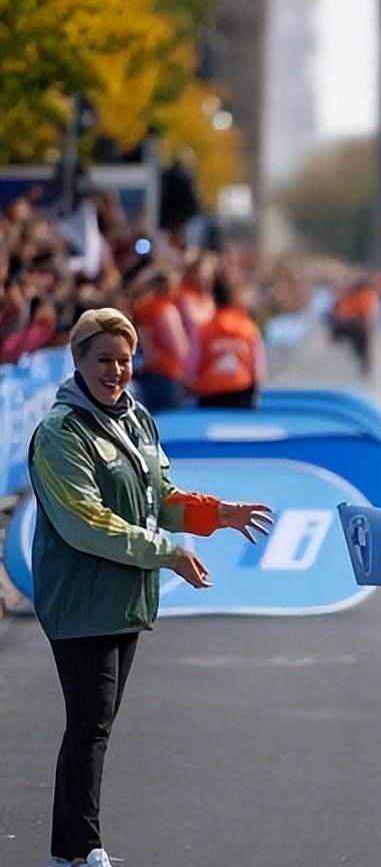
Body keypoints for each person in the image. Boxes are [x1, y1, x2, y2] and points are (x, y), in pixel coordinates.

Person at [28, 308, 272, 867]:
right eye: (103, 360)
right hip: (80, 597)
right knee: (89, 722)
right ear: (79, 362)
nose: (115, 371)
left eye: (124, 359)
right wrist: (168, 552)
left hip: (125, 595)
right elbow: (85, 520)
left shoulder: (136, 420)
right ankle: (83, 847)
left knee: (97, 724)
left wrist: (218, 514)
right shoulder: (60, 433)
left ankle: (69, 849)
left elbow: (160, 496)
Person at [188, 272, 265, 408]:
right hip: (241, 392)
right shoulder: (248, 328)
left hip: (210, 394)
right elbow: (257, 366)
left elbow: (191, 368)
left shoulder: (204, 329)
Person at [131, 268, 189, 411]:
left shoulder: (142, 309)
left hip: (148, 373)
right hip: (169, 372)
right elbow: (179, 346)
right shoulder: (166, 310)